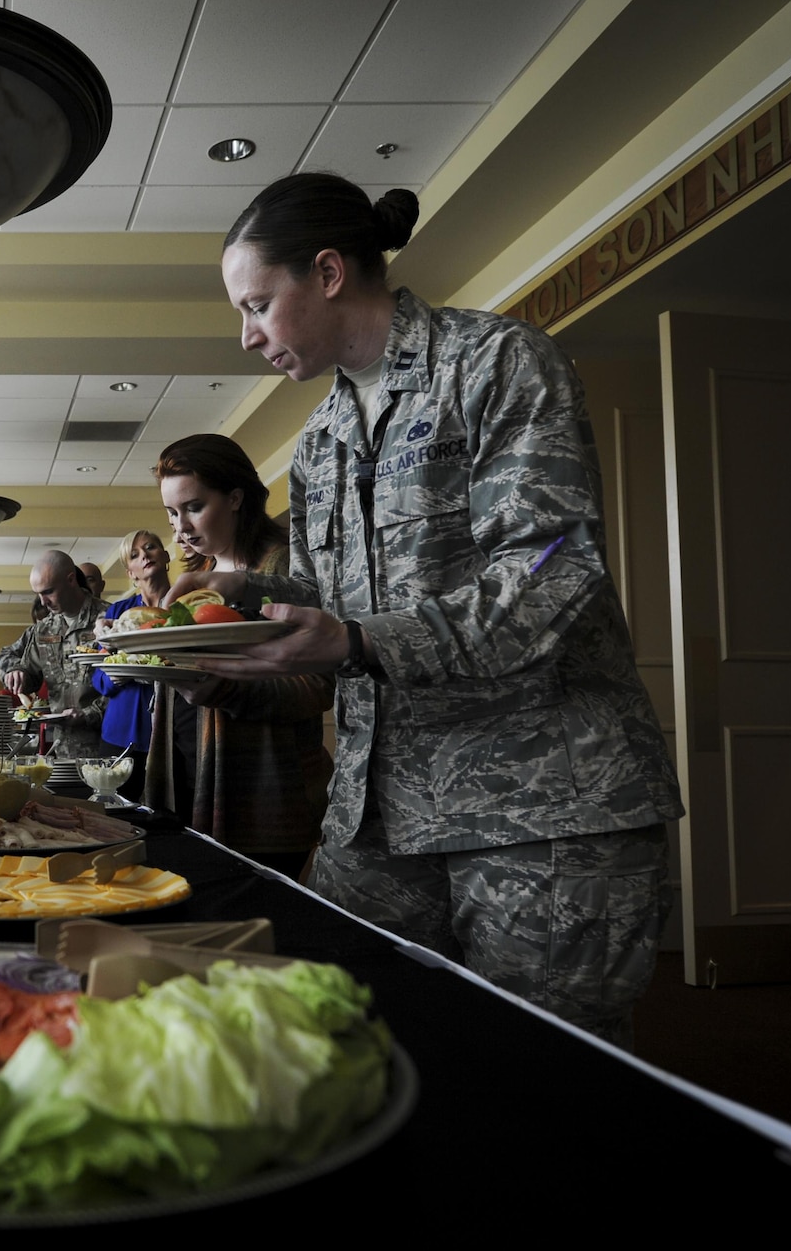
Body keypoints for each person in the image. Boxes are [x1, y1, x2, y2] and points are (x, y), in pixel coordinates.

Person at [173, 172, 680, 1045]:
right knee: (331, 1033)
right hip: (381, 809)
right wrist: (245, 594)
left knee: (540, 1071)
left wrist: (358, 638)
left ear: (328, 273)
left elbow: (552, 566)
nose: (247, 337)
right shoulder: (323, 437)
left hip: (538, 805)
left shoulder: (496, 363)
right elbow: (340, 607)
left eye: (257, 305)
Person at [143, 436, 332, 875]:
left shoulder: (282, 569)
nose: (180, 527)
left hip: (262, 792)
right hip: (187, 773)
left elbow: (316, 686)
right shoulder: (198, 576)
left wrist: (222, 688)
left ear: (234, 498)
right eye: (172, 513)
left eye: (193, 507)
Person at [89, 529, 172, 804]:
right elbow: (98, 679)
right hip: (120, 733)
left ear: (166, 555)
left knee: (168, 812)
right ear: (131, 573)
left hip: (173, 731)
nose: (145, 555)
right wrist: (118, 676)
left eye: (151, 547)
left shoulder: (184, 606)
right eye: (135, 555)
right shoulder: (116, 613)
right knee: (113, 811)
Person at [0, 550, 107, 758]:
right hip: (60, 747)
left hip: (105, 744)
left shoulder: (108, 618)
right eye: (38, 594)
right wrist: (17, 673)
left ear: (71, 579)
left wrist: (87, 715)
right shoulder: (44, 629)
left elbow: (125, 683)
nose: (43, 601)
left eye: (48, 592)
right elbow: (29, 674)